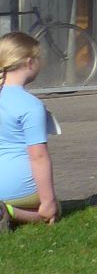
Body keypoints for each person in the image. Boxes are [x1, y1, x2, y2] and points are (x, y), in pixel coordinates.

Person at [0, 33, 58, 228]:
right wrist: (48, 202)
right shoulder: (31, 105)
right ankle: (8, 211)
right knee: (54, 209)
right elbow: (38, 157)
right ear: (30, 62)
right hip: (18, 186)